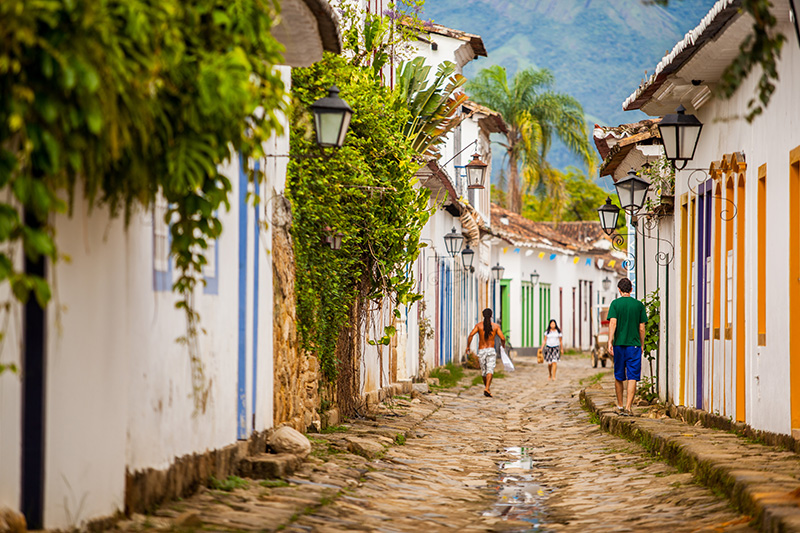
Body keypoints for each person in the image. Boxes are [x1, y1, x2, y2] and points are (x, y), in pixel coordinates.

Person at [607, 278, 648, 416]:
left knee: (619, 375)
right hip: (634, 345)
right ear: (631, 289)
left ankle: (619, 405)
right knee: (632, 376)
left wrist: (610, 342)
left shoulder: (615, 304)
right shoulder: (638, 305)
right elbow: (642, 328)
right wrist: (642, 344)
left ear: (619, 290)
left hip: (619, 344)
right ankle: (628, 407)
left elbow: (613, 323)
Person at [467, 308, 506, 397]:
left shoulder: (479, 326)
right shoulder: (495, 327)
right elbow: (503, 338)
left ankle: (487, 388)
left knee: (484, 371)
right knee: (490, 369)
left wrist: (468, 346)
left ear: (483, 315)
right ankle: (487, 388)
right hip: (491, 350)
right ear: (491, 315)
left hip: (481, 350)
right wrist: (503, 345)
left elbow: (471, 335)